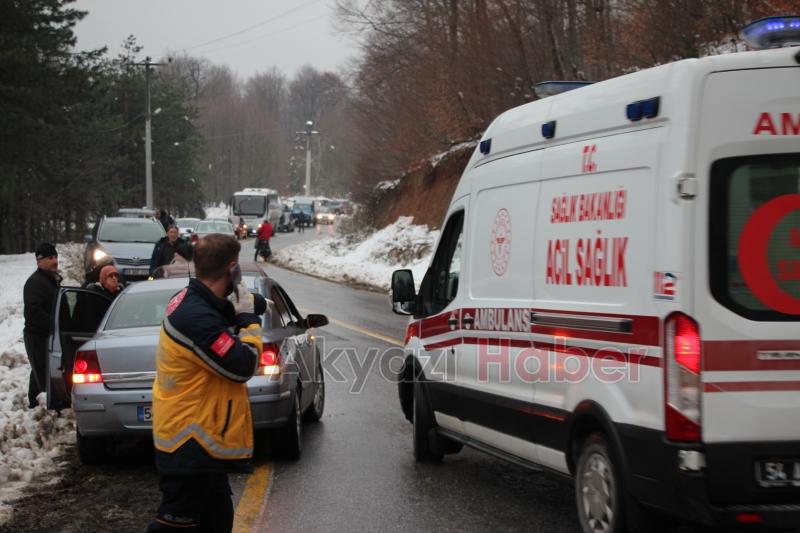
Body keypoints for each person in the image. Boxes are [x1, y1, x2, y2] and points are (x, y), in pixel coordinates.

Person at [148, 234, 263, 532]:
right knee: (175, 524)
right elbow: (243, 365)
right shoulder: (196, 318)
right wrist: (249, 322)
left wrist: (246, 300)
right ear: (233, 267)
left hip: (202, 441)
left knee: (218, 520)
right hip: (189, 442)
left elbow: (218, 307)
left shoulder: (193, 297)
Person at [23, 243, 62, 409]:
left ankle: (35, 403)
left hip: (49, 334)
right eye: (50, 258)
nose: (55, 261)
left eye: (55, 257)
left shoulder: (50, 280)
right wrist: (54, 324)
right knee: (42, 369)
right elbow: (33, 312)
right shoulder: (35, 283)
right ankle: (39, 404)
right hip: (37, 336)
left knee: (41, 368)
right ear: (39, 261)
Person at [77, 264, 124, 329]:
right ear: (104, 278)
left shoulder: (122, 294)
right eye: (110, 276)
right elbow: (90, 319)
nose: (114, 278)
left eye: (116, 275)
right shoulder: (95, 295)